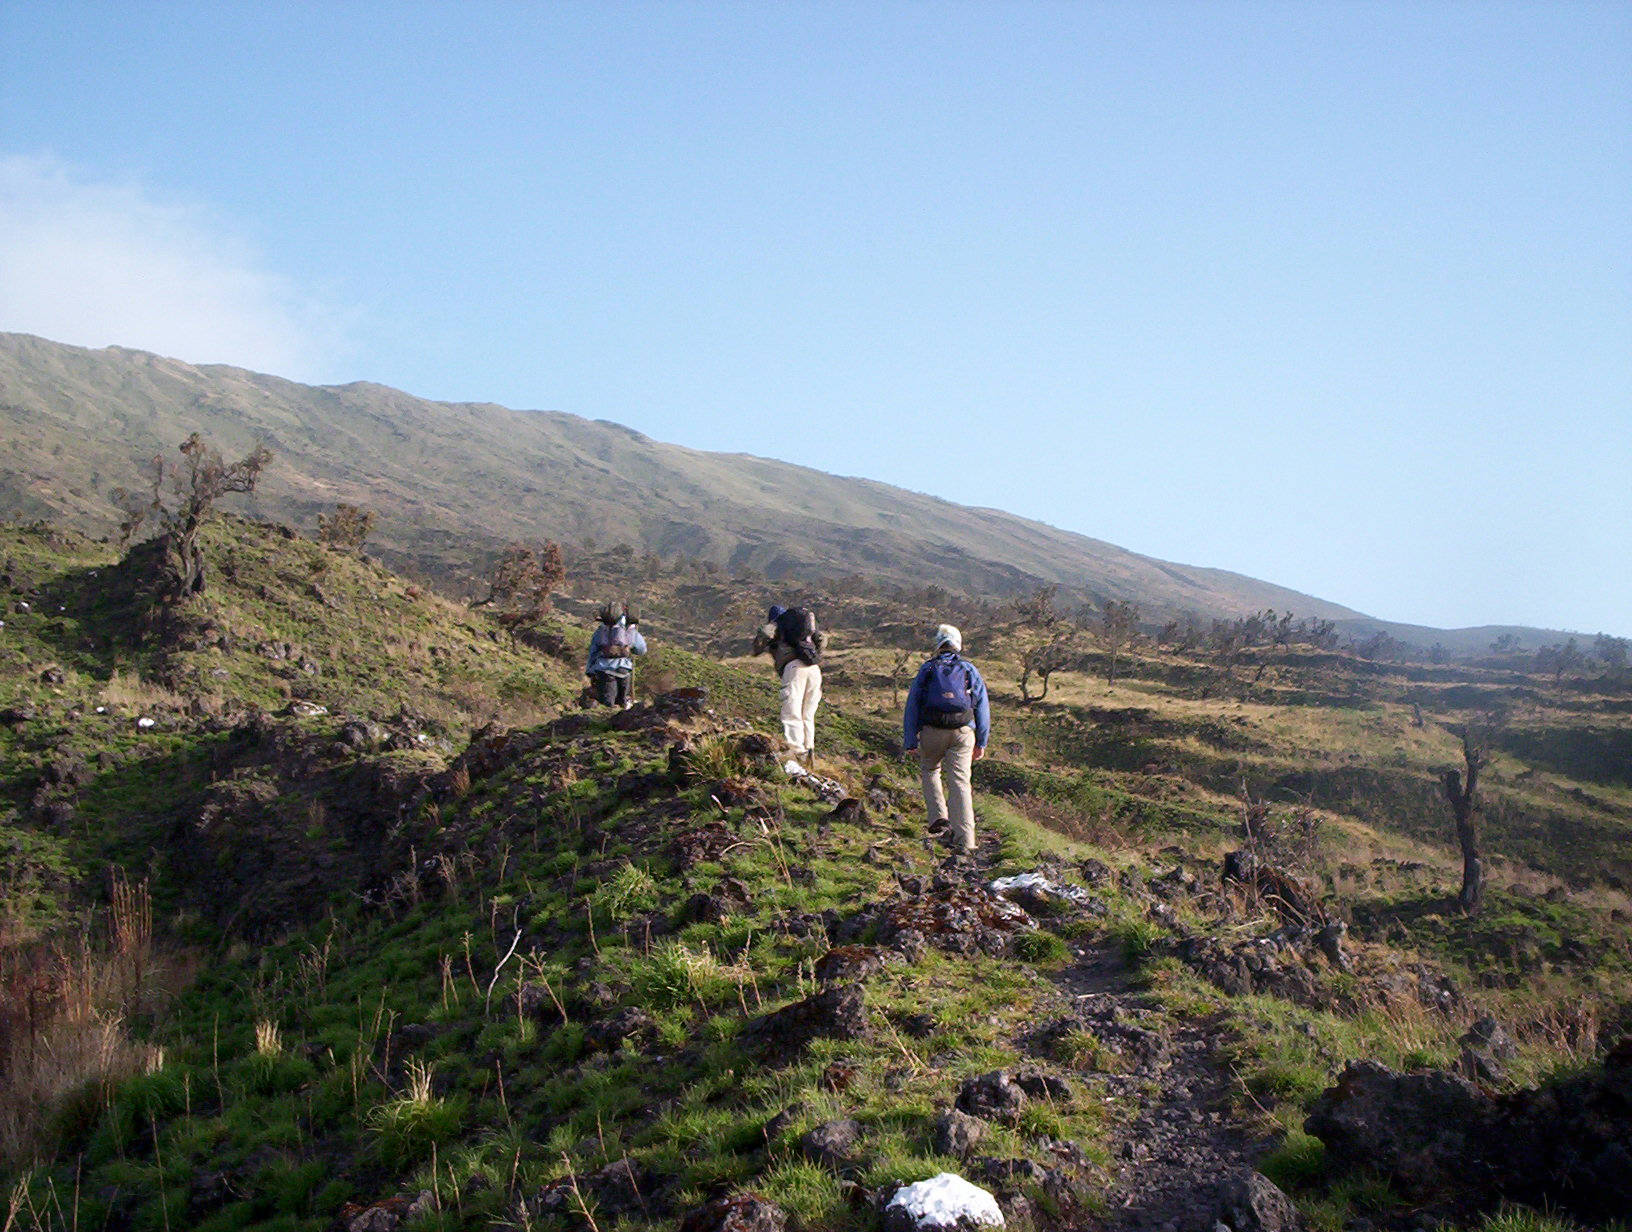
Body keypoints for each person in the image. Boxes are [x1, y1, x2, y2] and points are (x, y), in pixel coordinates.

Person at [902, 624, 990, 855]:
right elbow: (982, 707)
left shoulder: (928, 669)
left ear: (938, 644)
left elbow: (912, 705)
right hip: (963, 733)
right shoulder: (969, 669)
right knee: (960, 782)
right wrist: (982, 741)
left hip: (932, 731)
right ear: (958, 645)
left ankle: (938, 819)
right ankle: (967, 840)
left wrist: (910, 740)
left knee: (931, 770)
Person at [752, 604, 826, 764]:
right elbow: (822, 639)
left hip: (794, 669)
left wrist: (759, 647)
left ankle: (797, 754)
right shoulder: (803, 629)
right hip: (814, 669)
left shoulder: (777, 624)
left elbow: (763, 636)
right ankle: (809, 751)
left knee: (791, 712)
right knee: (807, 714)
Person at [585, 602, 646, 708]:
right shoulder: (630, 630)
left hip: (604, 670)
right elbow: (641, 650)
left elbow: (593, 652)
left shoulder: (600, 631)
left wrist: (590, 671)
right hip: (624, 670)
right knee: (623, 701)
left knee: (608, 703)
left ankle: (603, 721)